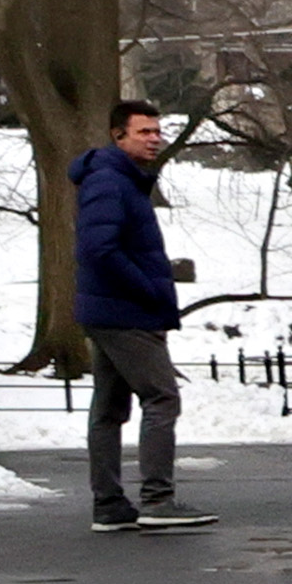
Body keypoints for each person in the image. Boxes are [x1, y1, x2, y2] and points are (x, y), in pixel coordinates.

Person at [76, 100, 186, 531]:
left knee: (108, 407)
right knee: (162, 396)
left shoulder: (120, 179)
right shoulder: (109, 181)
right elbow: (98, 249)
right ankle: (158, 500)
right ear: (118, 135)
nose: (155, 138)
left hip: (105, 308)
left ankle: (109, 506)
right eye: (144, 132)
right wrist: (147, 289)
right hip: (124, 311)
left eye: (157, 131)